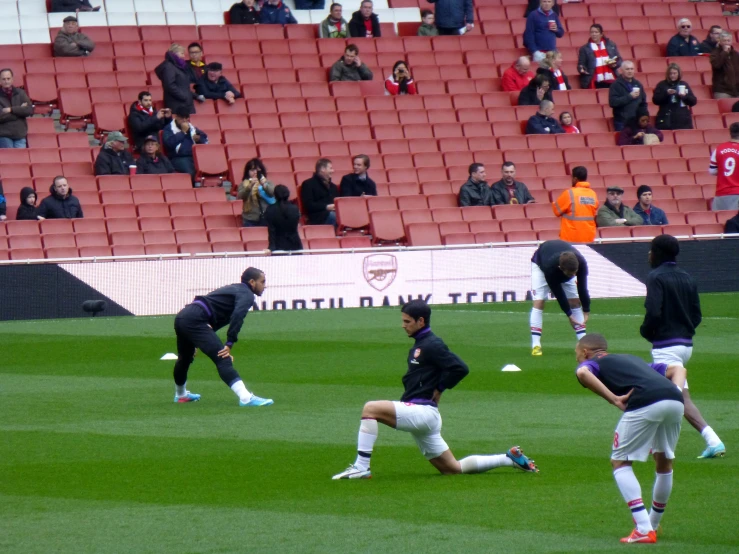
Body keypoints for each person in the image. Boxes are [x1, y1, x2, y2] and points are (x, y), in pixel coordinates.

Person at [332, 299, 539, 479]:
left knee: (371, 409)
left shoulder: (432, 344)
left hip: (422, 413)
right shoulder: (421, 343)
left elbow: (460, 368)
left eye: (407, 321)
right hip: (423, 416)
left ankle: (361, 467)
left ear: (421, 321)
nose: (403, 326)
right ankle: (508, 458)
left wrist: (440, 388)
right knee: (453, 469)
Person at [574, 333, 687, 544]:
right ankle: (652, 524)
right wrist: (676, 390)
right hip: (675, 401)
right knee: (664, 461)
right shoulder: (632, 360)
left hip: (646, 401)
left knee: (620, 461)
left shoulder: (592, 364)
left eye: (577, 354)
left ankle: (643, 528)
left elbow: (583, 373)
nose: (578, 358)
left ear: (586, 352)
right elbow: (679, 369)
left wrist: (614, 399)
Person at [640, 234, 725, 460]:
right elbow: (696, 314)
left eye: (650, 250)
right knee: (673, 396)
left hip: (666, 346)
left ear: (657, 253)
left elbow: (653, 311)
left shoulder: (655, 277)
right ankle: (711, 441)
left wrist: (647, 331)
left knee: (667, 399)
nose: (648, 254)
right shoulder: (687, 277)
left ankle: (657, 446)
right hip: (685, 344)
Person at [171, 267, 273, 407]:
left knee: (185, 357)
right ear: (252, 282)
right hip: (196, 319)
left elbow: (211, 310)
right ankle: (246, 398)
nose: (264, 285)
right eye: (262, 281)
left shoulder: (233, 288)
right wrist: (229, 343)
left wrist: (195, 341)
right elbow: (238, 315)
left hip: (184, 316)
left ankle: (181, 395)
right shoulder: (247, 294)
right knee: (223, 358)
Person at [529, 239, 589, 356]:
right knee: (539, 301)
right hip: (540, 263)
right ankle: (536, 345)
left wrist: (586, 310)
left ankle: (583, 343)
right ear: (561, 269)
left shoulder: (581, 263)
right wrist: (569, 315)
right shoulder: (549, 268)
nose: (573, 276)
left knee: (575, 302)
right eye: (570, 274)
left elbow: (582, 288)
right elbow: (559, 293)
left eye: (575, 273)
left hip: (562, 261)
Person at [552, 165, 599, 243]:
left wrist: (554, 203)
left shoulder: (569, 193)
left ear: (575, 179)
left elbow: (556, 211)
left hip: (571, 237)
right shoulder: (593, 194)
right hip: (588, 237)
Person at [163, 106, 209, 183]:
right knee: (191, 172)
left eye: (186, 118)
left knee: (208, 169)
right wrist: (183, 132)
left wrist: (199, 139)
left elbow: (205, 139)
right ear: (176, 117)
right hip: (178, 158)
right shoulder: (168, 129)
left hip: (194, 157)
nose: (184, 121)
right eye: (182, 118)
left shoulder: (192, 127)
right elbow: (169, 144)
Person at [653, 63, 697, 131]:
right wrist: (666, 93)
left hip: (682, 120)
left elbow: (693, 101)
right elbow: (655, 100)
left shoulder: (684, 84)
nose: (672, 75)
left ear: (678, 73)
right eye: (670, 73)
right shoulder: (662, 85)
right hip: (666, 118)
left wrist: (685, 96)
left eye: (674, 73)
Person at [155, 44, 197, 115]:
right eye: (182, 53)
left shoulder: (178, 67)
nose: (184, 56)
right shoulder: (169, 67)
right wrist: (183, 96)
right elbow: (169, 85)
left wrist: (195, 95)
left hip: (184, 103)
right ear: (174, 53)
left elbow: (183, 86)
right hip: (177, 104)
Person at [577, 24, 621, 90]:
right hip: (595, 80)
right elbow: (581, 64)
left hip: (611, 78)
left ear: (601, 34)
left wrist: (614, 64)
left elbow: (619, 60)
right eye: (592, 32)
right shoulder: (584, 49)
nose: (594, 34)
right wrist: (582, 69)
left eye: (596, 32)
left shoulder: (611, 45)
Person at [608, 60, 647, 131]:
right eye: (627, 69)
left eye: (631, 69)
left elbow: (643, 102)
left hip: (636, 121)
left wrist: (643, 116)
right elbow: (613, 102)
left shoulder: (638, 84)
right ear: (622, 70)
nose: (630, 71)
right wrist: (629, 96)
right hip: (622, 122)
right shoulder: (615, 85)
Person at [708, 122, 739, 211]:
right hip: (737, 194)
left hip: (721, 194)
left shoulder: (719, 148)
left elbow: (712, 170)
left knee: (719, 222)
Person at [237, 158, 275, 227]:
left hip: (266, 217)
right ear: (247, 172)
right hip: (250, 219)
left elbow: (272, 193)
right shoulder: (244, 184)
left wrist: (264, 184)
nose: (255, 172)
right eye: (252, 170)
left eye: (257, 170)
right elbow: (241, 196)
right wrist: (249, 186)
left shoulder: (268, 182)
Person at [0, 69, 33, 149]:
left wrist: (11, 110)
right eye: (4, 79)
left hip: (20, 134)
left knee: (21, 160)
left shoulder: (21, 93)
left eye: (8, 78)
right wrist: (19, 111)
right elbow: (1, 116)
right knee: (9, 160)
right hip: (4, 135)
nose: (6, 81)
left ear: (12, 79)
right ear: (0, 80)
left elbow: (29, 110)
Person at [300, 158, 338, 225]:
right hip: (316, 216)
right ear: (323, 169)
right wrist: (326, 207)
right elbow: (308, 205)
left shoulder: (333, 187)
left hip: (333, 213)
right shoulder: (308, 184)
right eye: (331, 168)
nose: (333, 170)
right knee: (333, 216)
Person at [265, 185, 303, 252]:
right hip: (296, 246)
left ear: (275, 196)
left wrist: (271, 248)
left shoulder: (270, 210)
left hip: (278, 247)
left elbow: (271, 231)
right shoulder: (295, 209)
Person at [710, 32, 739, 99]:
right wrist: (724, 53)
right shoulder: (715, 53)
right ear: (720, 41)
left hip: (736, 90)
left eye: (728, 40)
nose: (726, 43)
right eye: (724, 40)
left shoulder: (735, 54)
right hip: (722, 90)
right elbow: (717, 65)